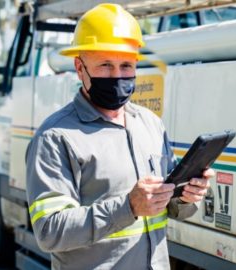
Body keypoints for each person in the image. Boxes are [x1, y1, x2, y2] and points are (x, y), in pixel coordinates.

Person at [25, 3, 213, 270]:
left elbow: (170, 207)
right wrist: (128, 207)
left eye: (126, 65)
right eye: (105, 65)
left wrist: (186, 196)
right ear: (80, 68)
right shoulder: (55, 137)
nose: (117, 76)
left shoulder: (150, 124)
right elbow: (50, 230)